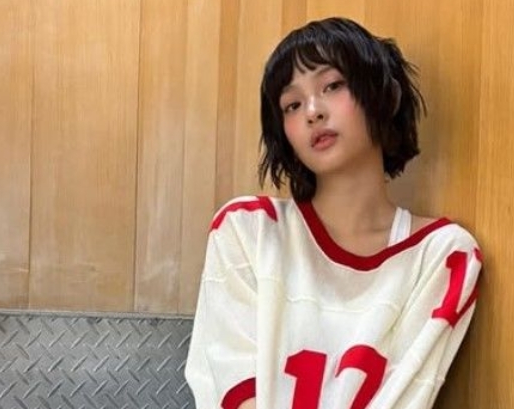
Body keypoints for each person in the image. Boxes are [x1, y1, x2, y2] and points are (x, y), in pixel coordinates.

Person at [185, 17, 482, 409]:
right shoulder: (248, 231)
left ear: (386, 96)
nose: (312, 111)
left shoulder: (443, 256)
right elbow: (231, 388)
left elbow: (406, 397)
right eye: (292, 105)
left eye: (333, 85)